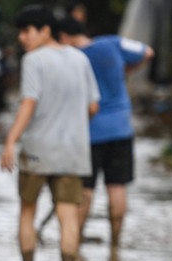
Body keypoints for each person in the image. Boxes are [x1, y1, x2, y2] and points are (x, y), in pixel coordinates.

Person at [0, 5, 100, 261]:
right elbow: (93, 106)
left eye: (27, 31)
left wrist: (10, 140)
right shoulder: (81, 58)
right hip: (74, 151)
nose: (22, 38)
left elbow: (28, 103)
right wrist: (73, 126)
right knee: (69, 217)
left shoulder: (34, 60)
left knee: (27, 211)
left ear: (45, 31)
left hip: (38, 150)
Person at [57, 17, 154, 247]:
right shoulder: (113, 43)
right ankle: (115, 244)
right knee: (117, 187)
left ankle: (75, 240)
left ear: (63, 36)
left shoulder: (71, 57)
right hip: (121, 128)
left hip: (88, 132)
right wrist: (125, 71)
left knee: (86, 189)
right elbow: (148, 52)